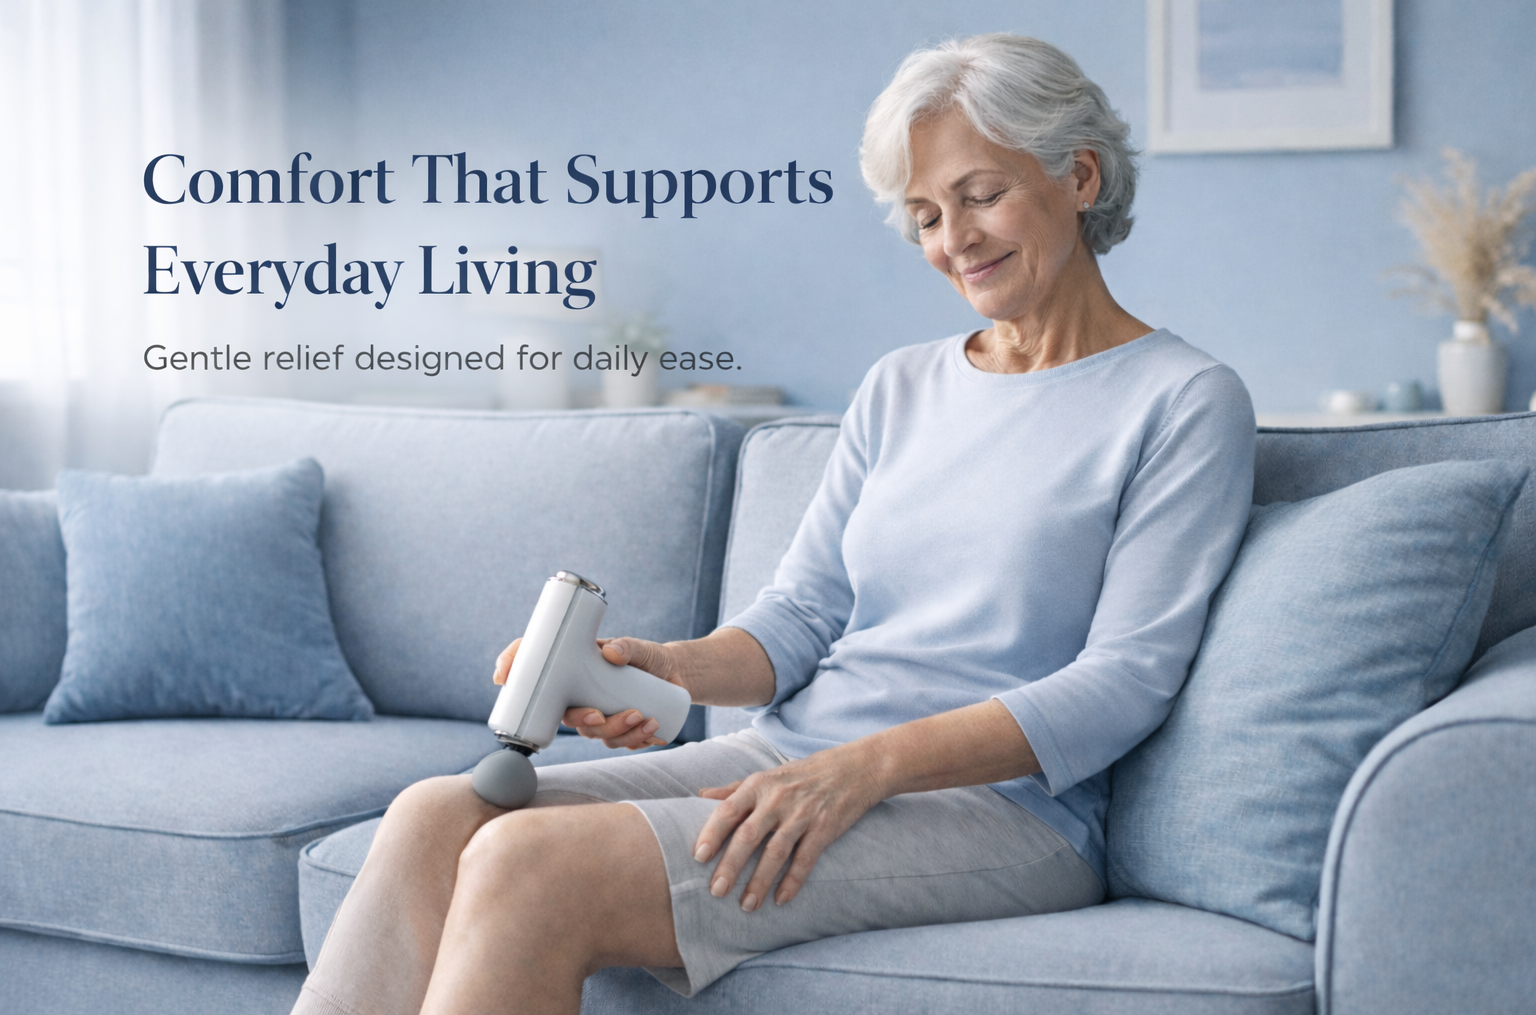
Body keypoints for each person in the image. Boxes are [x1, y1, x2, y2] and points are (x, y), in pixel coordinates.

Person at [291, 33, 1255, 1015]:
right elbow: (802, 615)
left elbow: (1123, 681)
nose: (952, 238)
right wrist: (671, 668)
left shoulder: (1182, 398)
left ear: (1078, 175)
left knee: (527, 860)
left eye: (979, 193)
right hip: (796, 758)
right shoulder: (902, 386)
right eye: (925, 213)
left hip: (1003, 812)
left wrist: (866, 769)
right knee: (433, 815)